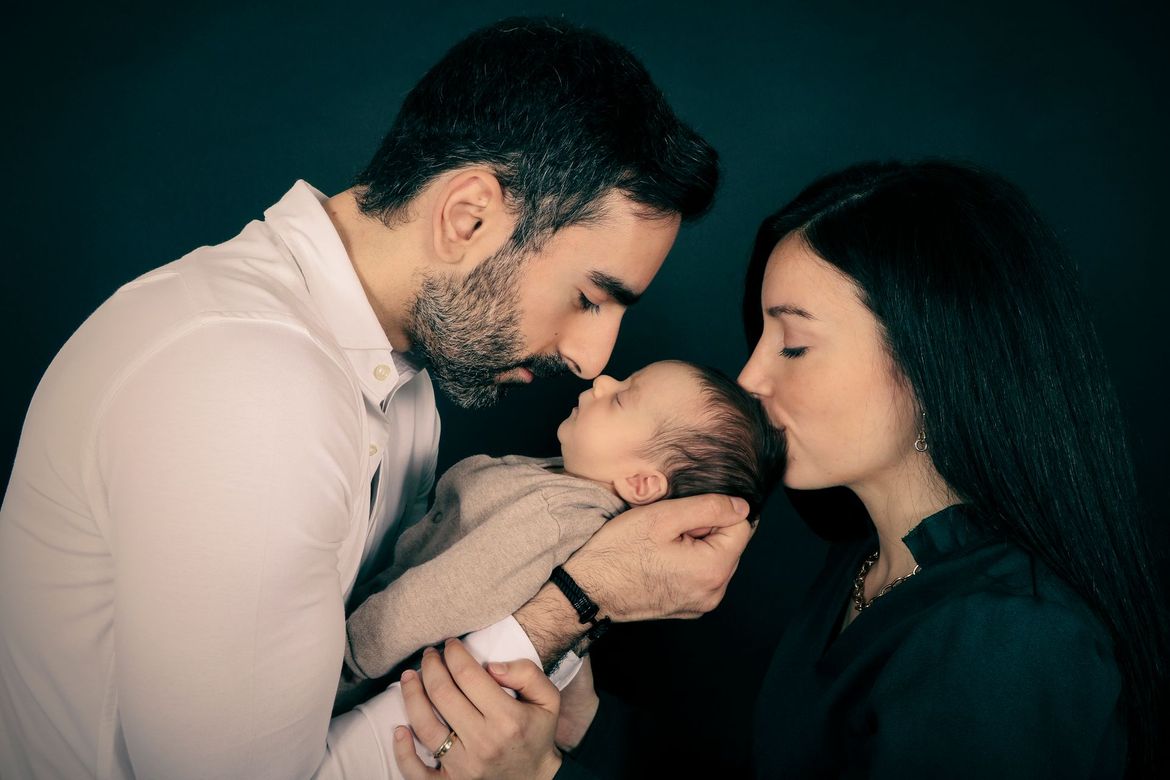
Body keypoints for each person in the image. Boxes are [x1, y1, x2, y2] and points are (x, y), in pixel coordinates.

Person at [0, 18, 759, 780]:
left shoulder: (399, 375)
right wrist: (571, 605)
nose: (594, 358)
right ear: (468, 217)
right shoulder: (248, 388)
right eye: (590, 297)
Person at [392, 160, 1169, 778]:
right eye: (760, 337)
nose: (752, 379)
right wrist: (585, 731)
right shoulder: (863, 565)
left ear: (932, 362)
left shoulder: (1010, 641)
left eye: (793, 344)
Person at [336, 360, 783, 772]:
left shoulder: (557, 521)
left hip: (370, 671)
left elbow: (445, 595)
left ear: (641, 483)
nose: (602, 381)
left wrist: (351, 657)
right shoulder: (574, 479)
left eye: (623, 397)